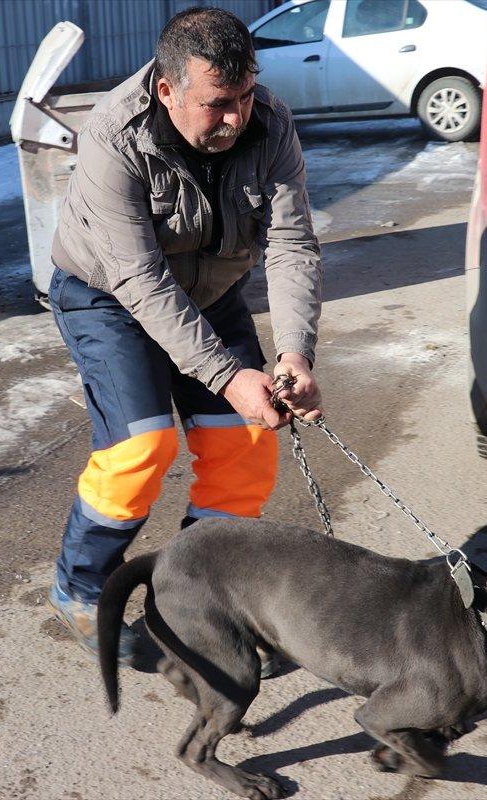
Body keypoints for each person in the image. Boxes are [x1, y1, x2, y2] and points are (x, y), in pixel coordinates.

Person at [46, 6, 324, 665]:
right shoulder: (113, 136)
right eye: (217, 104)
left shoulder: (270, 123)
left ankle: (193, 603)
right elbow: (139, 278)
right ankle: (80, 592)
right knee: (141, 447)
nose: (236, 118)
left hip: (212, 288)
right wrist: (228, 375)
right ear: (167, 90)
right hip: (107, 294)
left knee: (245, 445)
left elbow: (290, 246)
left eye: (245, 96)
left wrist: (293, 356)